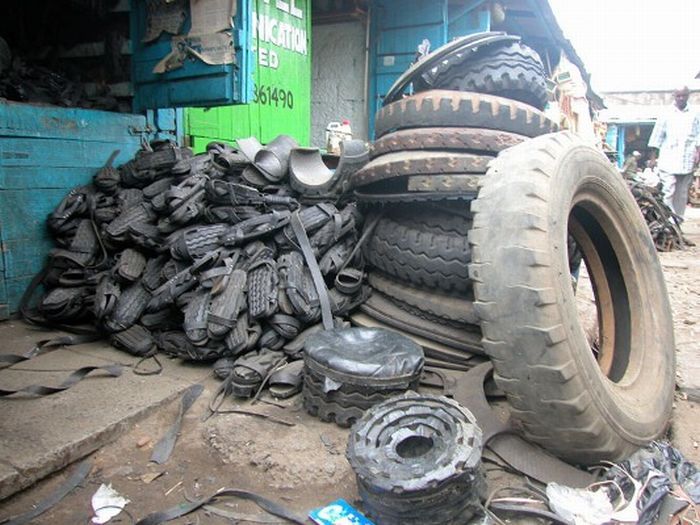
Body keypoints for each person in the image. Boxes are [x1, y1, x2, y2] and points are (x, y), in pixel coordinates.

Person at [647, 86, 700, 218]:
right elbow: (657, 137)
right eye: (678, 96)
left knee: (682, 193)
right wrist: (653, 159)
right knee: (668, 190)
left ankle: (678, 220)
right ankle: (667, 220)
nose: (681, 98)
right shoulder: (666, 114)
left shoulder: (695, 113)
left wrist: (698, 152)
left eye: (684, 96)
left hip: (687, 159)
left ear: (688, 96)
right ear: (674, 96)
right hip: (668, 159)